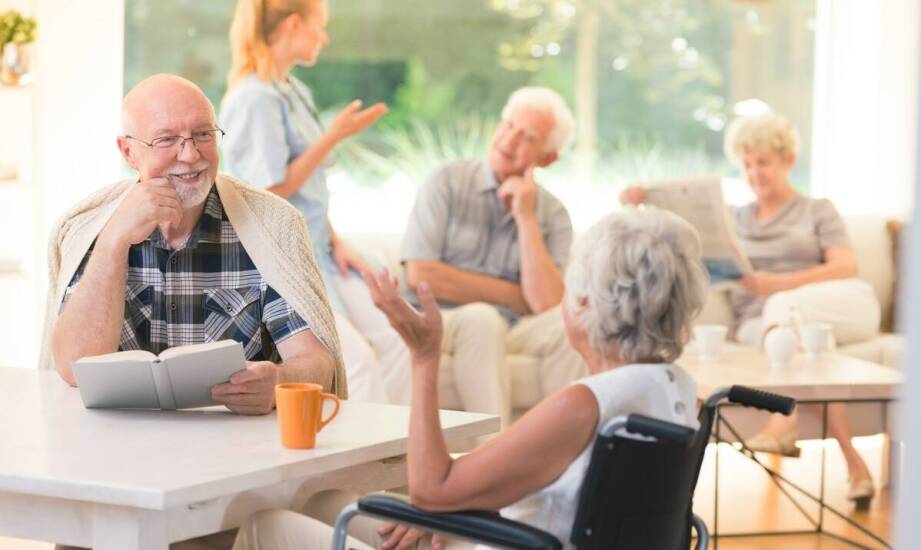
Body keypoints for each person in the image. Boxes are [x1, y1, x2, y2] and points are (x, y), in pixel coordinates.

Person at [230, 207, 709, 550]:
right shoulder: (676, 390)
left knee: (266, 526)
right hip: (514, 533)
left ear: (584, 305)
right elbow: (571, 494)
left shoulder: (585, 405)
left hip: (506, 542)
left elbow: (430, 490)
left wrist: (424, 356)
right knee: (328, 501)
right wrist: (457, 507)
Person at [42, 74, 346, 414]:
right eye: (167, 139)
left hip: (238, 450)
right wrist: (114, 241)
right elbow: (76, 368)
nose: (189, 155)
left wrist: (279, 381)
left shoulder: (272, 225)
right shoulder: (89, 227)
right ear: (128, 151)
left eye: (203, 134)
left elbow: (318, 362)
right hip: (117, 448)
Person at [620, 112, 880, 506]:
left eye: (764, 162)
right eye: (747, 164)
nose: (754, 172)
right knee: (811, 352)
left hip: (834, 306)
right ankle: (854, 463)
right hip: (764, 325)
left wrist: (776, 285)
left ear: (789, 160)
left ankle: (784, 422)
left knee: (783, 309)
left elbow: (846, 266)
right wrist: (642, 209)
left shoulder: (816, 209)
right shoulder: (734, 219)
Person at [220, 0, 392, 402]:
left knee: (395, 337)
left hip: (321, 250)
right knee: (357, 362)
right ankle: (363, 458)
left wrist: (336, 240)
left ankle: (403, 452)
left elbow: (310, 185)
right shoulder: (254, 97)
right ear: (294, 25)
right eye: (320, 25)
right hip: (286, 260)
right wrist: (332, 136)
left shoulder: (293, 89)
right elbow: (270, 191)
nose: (324, 36)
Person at [395, 86, 584, 428]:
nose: (509, 140)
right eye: (508, 124)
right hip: (441, 320)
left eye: (527, 137)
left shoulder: (553, 213)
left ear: (548, 157)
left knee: (571, 322)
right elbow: (422, 276)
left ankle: (566, 458)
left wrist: (526, 218)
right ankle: (495, 460)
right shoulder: (447, 181)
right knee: (481, 319)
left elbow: (547, 303)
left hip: (511, 326)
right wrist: (514, 295)